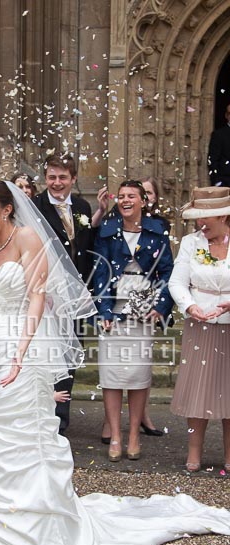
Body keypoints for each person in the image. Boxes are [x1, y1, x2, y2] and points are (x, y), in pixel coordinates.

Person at [0, 180, 230, 545]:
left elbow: (37, 299)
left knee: (25, 437)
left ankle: (40, 533)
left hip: (25, 351)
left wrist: (20, 355)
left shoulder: (27, 237)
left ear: (8, 208)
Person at [93, 180, 173, 462]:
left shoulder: (157, 231)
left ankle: (134, 435)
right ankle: (115, 435)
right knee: (111, 376)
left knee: (139, 376)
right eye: (122, 196)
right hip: (113, 314)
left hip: (143, 315)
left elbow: (167, 272)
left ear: (143, 201)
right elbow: (99, 273)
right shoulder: (107, 231)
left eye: (132, 196)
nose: (126, 200)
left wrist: (161, 307)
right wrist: (102, 311)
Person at [169, 186, 230, 472]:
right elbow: (177, 282)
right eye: (197, 219)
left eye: (206, 218)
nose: (200, 224)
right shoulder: (191, 243)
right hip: (200, 325)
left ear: (223, 216)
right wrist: (190, 306)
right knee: (198, 392)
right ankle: (194, 452)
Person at [33, 154, 94, 434]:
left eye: (63, 177)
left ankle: (61, 418)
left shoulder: (82, 206)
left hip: (76, 295)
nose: (57, 183)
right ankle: (41, 411)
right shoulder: (35, 206)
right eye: (52, 177)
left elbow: (84, 249)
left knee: (69, 356)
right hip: (46, 296)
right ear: (45, 179)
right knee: (46, 353)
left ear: (73, 179)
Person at [208, 104, 230, 187]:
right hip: (226, 182)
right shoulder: (219, 134)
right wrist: (217, 182)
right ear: (226, 116)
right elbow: (213, 159)